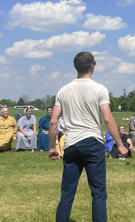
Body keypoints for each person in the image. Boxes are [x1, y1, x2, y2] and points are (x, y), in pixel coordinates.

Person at [48, 51, 128, 222]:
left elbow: (53, 121)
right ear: (92, 66)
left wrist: (53, 148)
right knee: (98, 193)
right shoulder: (99, 89)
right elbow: (107, 118)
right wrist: (120, 145)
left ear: (75, 67)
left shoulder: (63, 90)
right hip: (93, 143)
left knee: (67, 193)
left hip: (71, 144)